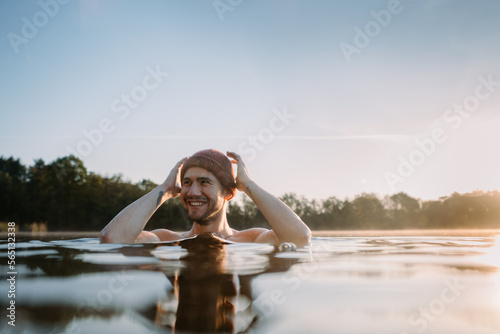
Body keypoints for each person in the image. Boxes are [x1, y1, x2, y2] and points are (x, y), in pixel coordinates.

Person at [99, 149, 311, 247]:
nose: (192, 192)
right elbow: (111, 239)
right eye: (187, 182)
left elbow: (300, 236)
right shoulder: (168, 240)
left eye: (205, 182)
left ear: (228, 192)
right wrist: (163, 190)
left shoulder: (250, 240)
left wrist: (248, 185)